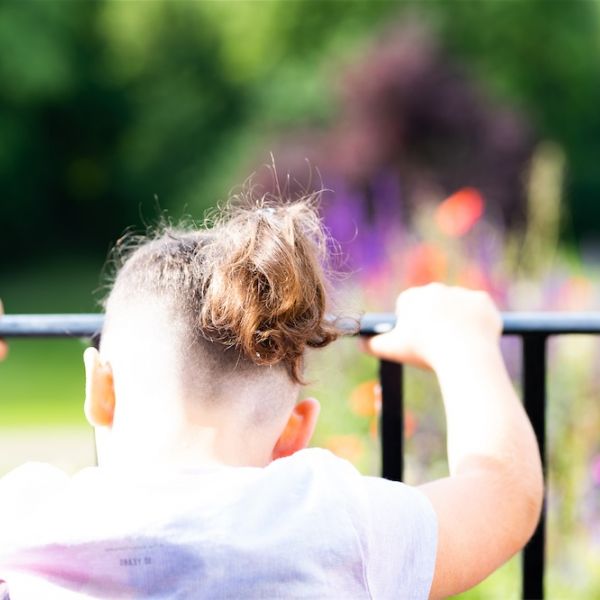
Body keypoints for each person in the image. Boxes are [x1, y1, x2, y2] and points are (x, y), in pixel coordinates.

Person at [0, 194, 543, 599]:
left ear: (101, 389)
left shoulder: (25, 519)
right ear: (293, 433)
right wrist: (463, 345)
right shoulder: (333, 524)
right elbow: (504, 494)